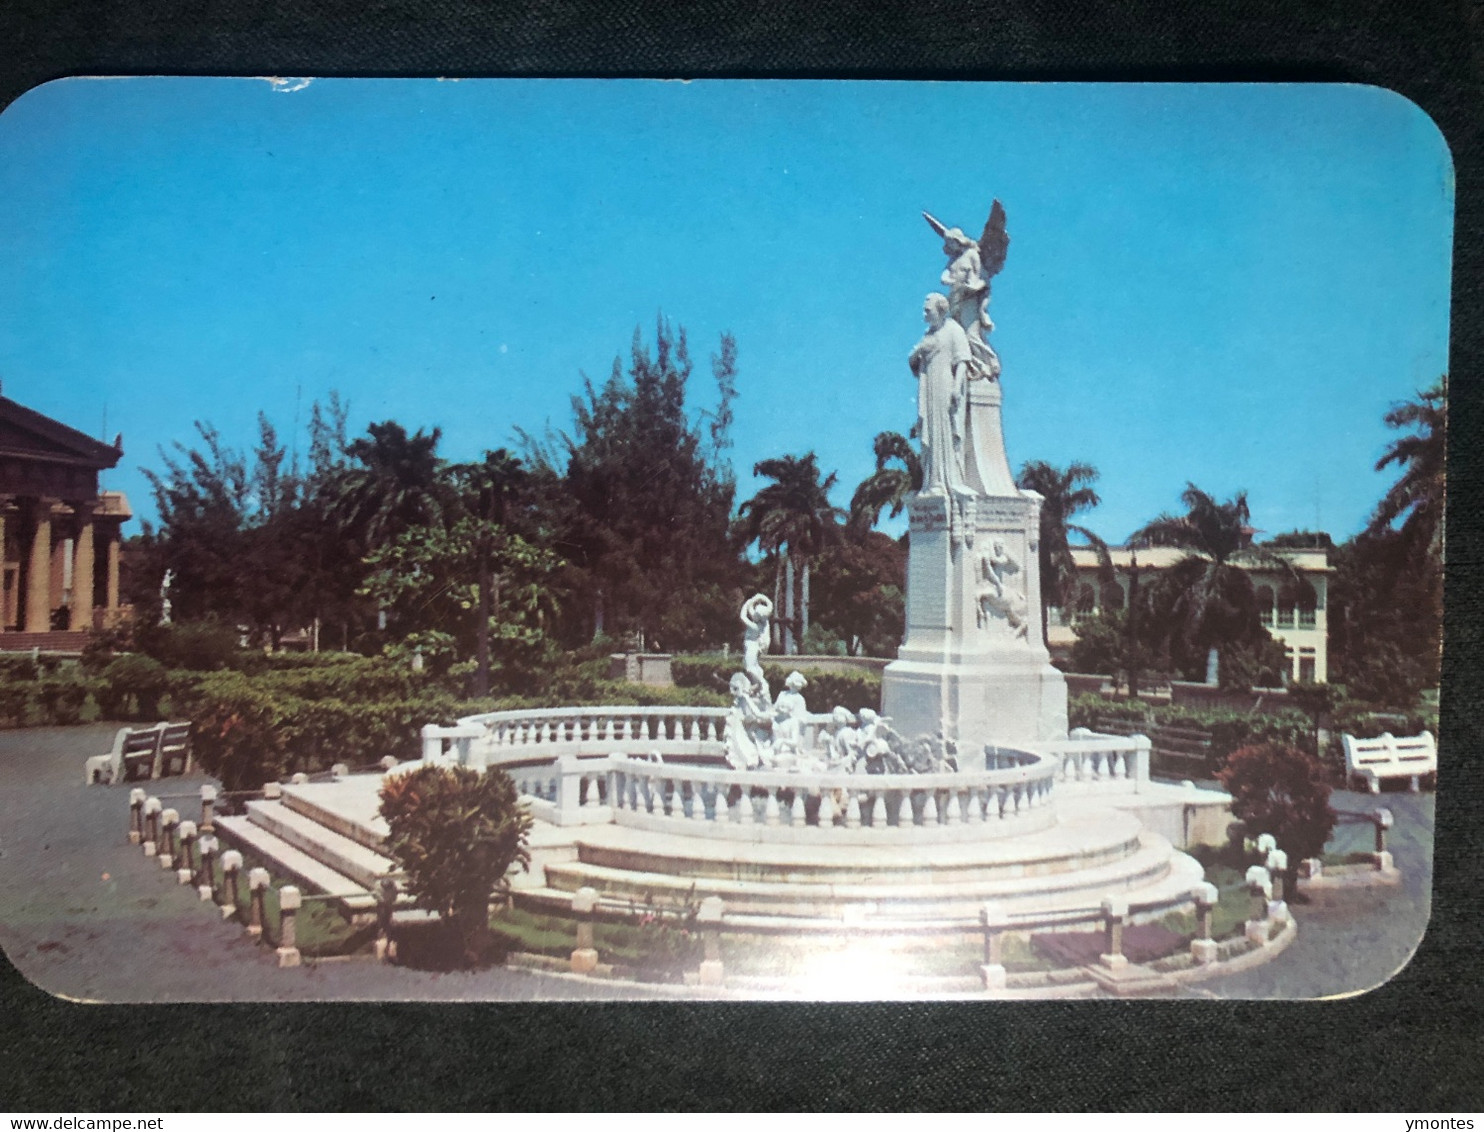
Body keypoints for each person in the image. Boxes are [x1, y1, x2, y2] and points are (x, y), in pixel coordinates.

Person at [908, 293, 973, 499]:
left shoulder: (953, 330)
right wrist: (916, 352)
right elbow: (914, 364)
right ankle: (932, 480)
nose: (924, 314)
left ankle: (946, 479)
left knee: (944, 430)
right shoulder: (928, 334)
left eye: (928, 310)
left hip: (945, 384)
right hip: (929, 387)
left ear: (940, 310)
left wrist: (956, 386)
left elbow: (962, 360)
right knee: (931, 430)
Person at [772, 670, 809, 757]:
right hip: (779, 719)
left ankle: (793, 746)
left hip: (792, 722)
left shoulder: (799, 698)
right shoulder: (782, 694)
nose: (794, 687)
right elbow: (775, 708)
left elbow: (801, 716)